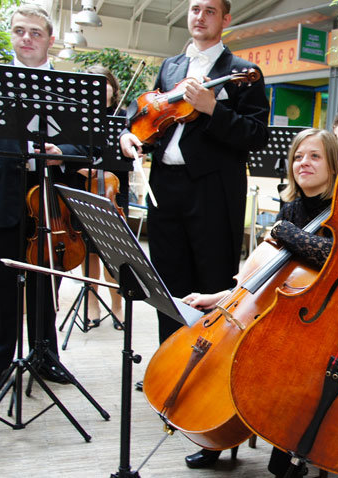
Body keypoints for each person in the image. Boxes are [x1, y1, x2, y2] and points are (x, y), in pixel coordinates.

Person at [180, 128, 338, 469]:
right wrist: (220, 297)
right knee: (226, 349)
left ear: (332, 164)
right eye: (298, 156)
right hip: (277, 307)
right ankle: (214, 437)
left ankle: (285, 446)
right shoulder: (291, 208)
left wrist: (285, 232)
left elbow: (335, 257)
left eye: (314, 156)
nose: (304, 163)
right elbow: (263, 274)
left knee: (267, 358)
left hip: (318, 318)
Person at [119, 0, 269, 364]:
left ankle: (205, 371)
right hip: (165, 185)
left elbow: (256, 134)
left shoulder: (242, 71)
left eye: (210, 11)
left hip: (213, 191)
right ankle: (168, 366)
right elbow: (145, 112)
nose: (200, 17)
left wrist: (213, 108)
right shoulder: (171, 66)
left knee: (212, 278)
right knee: (168, 282)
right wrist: (127, 133)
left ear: (226, 19)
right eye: (195, 9)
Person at [0, 5, 71, 388]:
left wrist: (62, 152)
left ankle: (45, 356)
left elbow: (84, 140)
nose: (27, 38)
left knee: (45, 280)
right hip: (2, 189)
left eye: (35, 33)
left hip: (46, 193)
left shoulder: (67, 87)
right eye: (20, 31)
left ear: (50, 41)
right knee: (0, 281)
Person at [61, 64, 128, 328]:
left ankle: (117, 304)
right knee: (88, 249)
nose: (99, 88)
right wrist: (78, 165)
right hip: (83, 186)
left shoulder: (123, 117)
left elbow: (128, 158)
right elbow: (65, 150)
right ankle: (91, 303)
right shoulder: (75, 118)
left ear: (112, 87)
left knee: (115, 252)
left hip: (112, 190)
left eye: (104, 83)